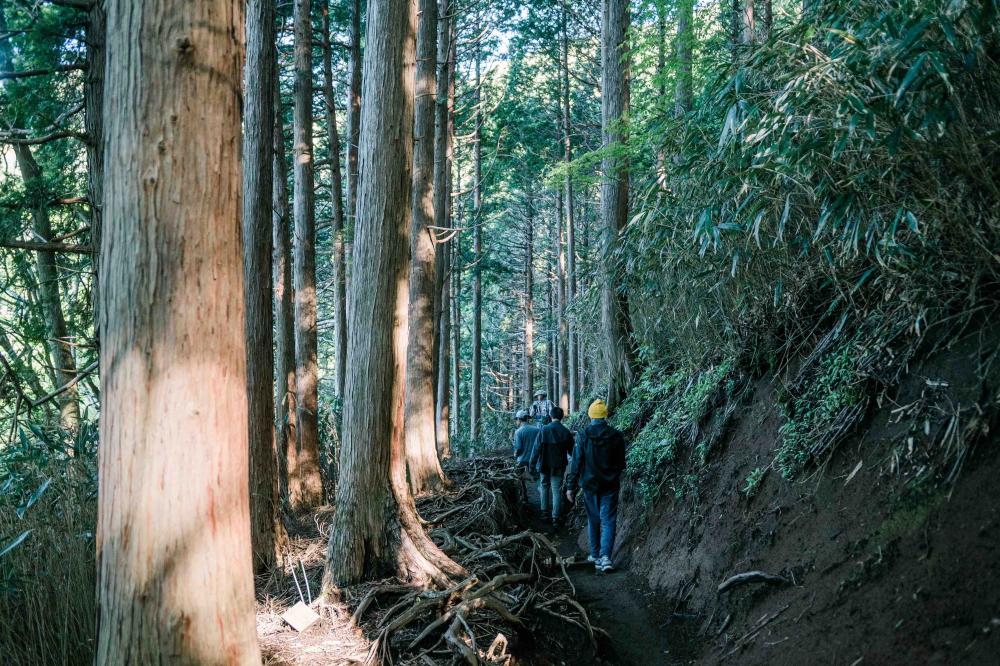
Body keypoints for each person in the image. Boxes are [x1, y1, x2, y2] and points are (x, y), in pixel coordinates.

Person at [566, 399, 625, 573]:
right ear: (605, 416)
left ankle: (595, 555)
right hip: (610, 485)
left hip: (590, 485)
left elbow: (576, 462)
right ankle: (605, 557)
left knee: (593, 519)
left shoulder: (583, 435)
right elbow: (621, 463)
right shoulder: (616, 436)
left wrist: (571, 486)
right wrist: (612, 474)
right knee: (608, 520)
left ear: (591, 416)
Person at [528, 406, 574, 530]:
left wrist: (531, 466)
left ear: (551, 416)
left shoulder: (544, 430)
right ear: (561, 417)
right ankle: (556, 517)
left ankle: (544, 513)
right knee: (556, 490)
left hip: (544, 465)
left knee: (544, 487)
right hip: (559, 466)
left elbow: (536, 449)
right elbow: (573, 452)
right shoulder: (566, 432)